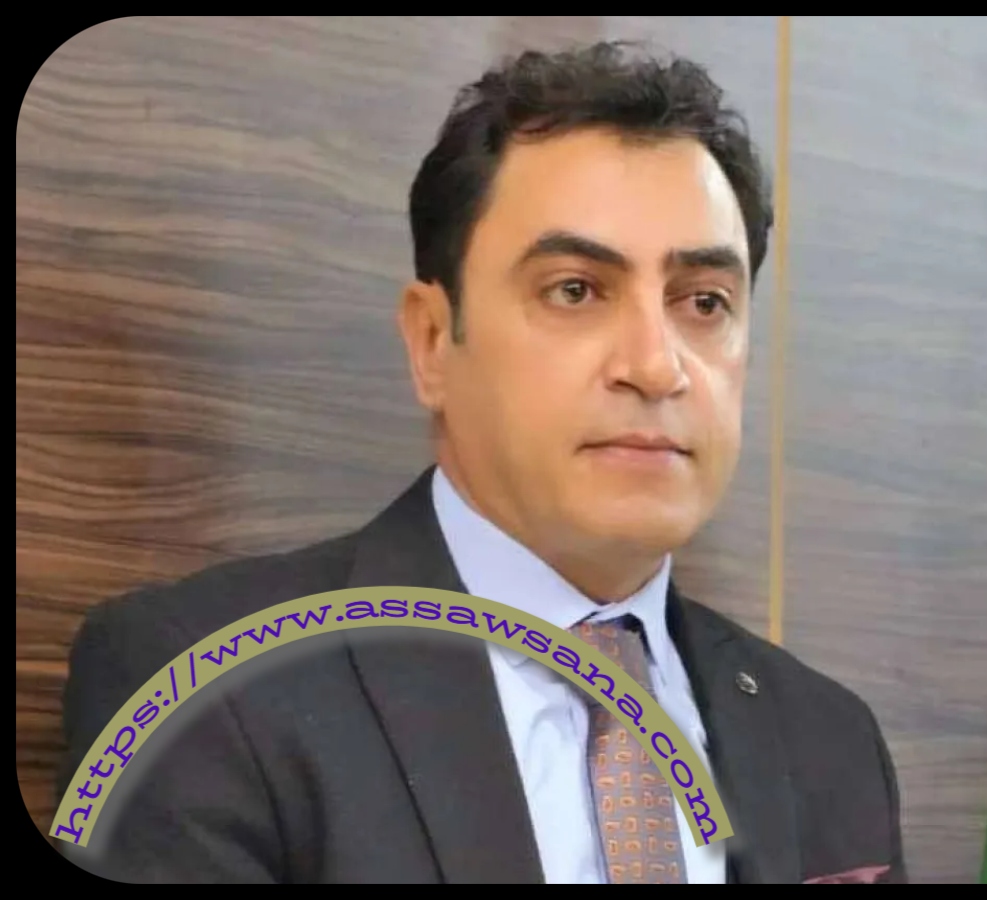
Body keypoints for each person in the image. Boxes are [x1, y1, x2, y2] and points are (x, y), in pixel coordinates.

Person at [57, 41, 905, 885]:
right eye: (575, 290)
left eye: (704, 302)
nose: (656, 366)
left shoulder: (827, 739)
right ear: (433, 341)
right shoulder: (204, 685)